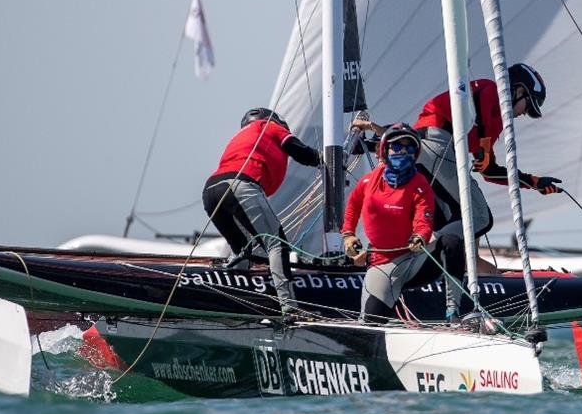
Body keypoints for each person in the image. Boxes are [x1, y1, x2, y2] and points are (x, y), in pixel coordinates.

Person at [351, 63, 560, 319]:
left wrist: (534, 182)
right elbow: (481, 101)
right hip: (436, 143)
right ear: (518, 91)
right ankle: (432, 252)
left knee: (453, 216)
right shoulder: (490, 90)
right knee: (480, 217)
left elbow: (489, 170)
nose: (523, 114)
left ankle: (431, 255)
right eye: (527, 106)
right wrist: (483, 142)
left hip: (429, 149)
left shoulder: (493, 120)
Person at [341, 124, 466, 323]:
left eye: (409, 148)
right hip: (382, 263)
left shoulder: (420, 183)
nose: (403, 152)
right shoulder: (368, 182)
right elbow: (353, 206)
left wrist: (420, 236)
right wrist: (348, 234)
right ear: (384, 150)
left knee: (452, 241)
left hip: (414, 259)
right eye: (397, 147)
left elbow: (424, 219)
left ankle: (453, 313)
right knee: (370, 322)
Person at [202, 108, 321, 316]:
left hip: (211, 190)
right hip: (240, 184)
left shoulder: (241, 135)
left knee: (242, 250)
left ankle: (241, 297)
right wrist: (324, 159)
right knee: (276, 243)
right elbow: (296, 148)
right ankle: (289, 306)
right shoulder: (269, 126)